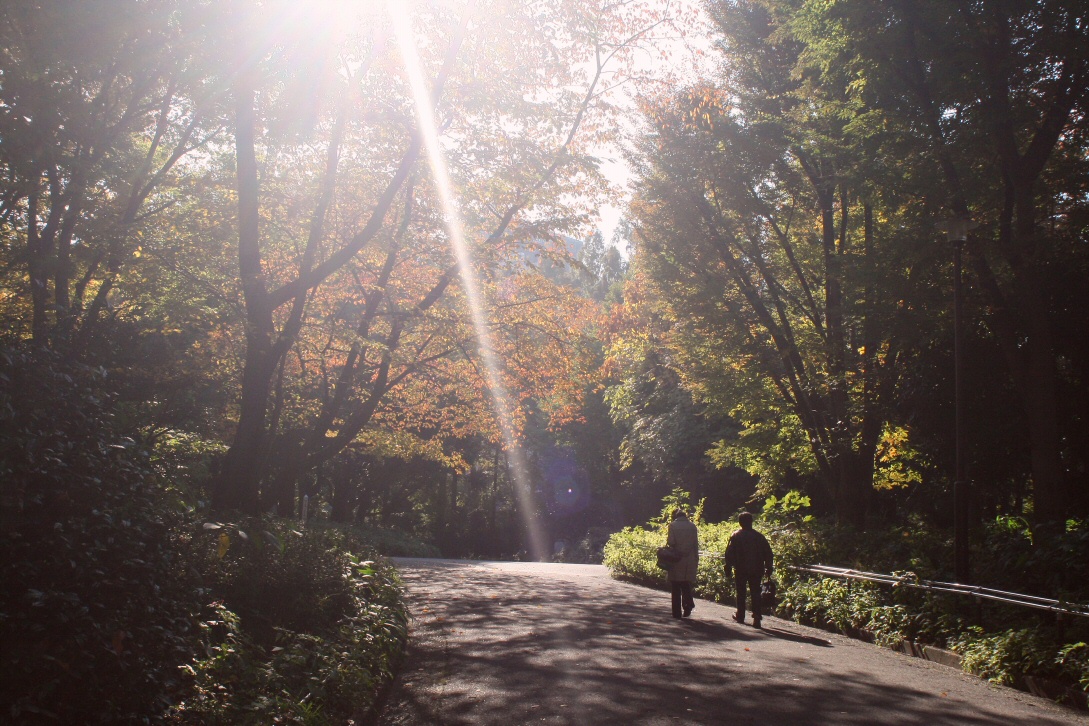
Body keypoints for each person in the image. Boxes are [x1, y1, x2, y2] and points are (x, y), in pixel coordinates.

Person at [723, 511, 774, 628]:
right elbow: (768, 553)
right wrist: (769, 566)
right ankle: (757, 617)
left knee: (741, 592)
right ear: (751, 522)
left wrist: (728, 566)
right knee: (755, 593)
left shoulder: (735, 535)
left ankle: (740, 615)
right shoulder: (759, 537)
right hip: (757, 569)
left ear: (740, 523)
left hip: (740, 568)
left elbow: (729, 553)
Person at [666, 508, 699, 619]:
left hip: (676, 558)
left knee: (675, 586)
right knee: (686, 583)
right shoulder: (692, 526)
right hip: (689, 559)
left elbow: (671, 542)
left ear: (676, 516)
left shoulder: (673, 526)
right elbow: (695, 544)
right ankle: (688, 606)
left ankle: (676, 613)